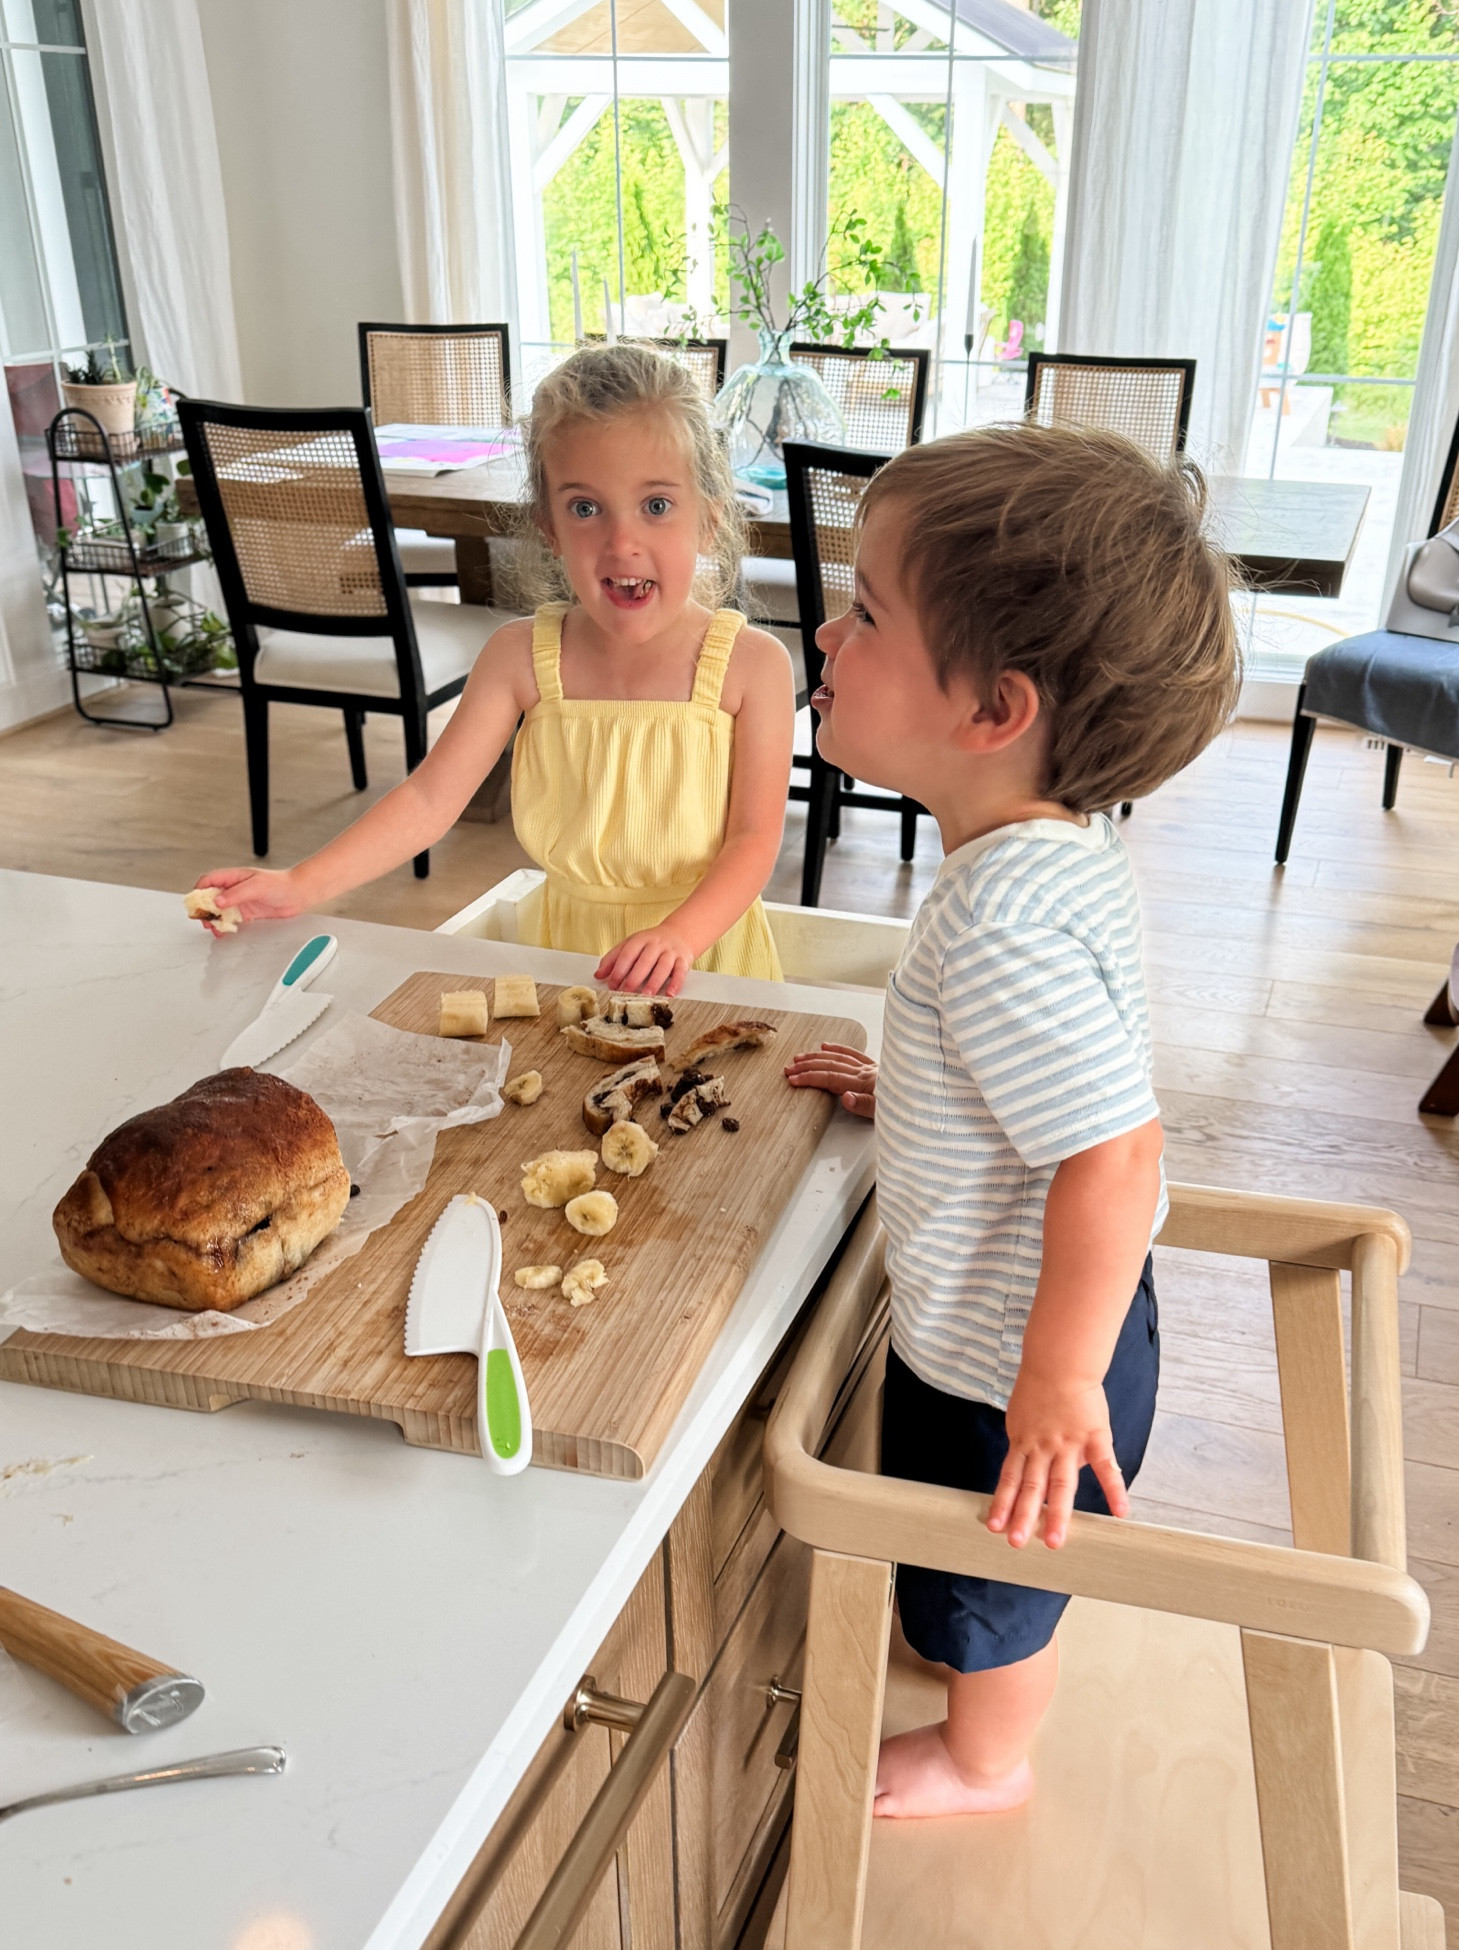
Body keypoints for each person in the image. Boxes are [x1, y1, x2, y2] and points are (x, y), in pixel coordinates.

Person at [785, 424, 1238, 1819]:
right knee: (965, 1554)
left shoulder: (995, 923)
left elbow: (1113, 1147)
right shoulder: (1064, 833)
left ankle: (990, 1759)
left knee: (1000, 1574)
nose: (824, 632)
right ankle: (972, 1667)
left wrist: (1055, 1384)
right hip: (1038, 1318)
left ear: (993, 712)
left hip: (1017, 1358)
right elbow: (1058, 1078)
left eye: (867, 614)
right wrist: (923, 1089)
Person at [190, 344, 793, 994]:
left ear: (709, 516)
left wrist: (681, 936)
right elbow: (428, 799)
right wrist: (299, 884)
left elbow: (754, 840)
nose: (623, 542)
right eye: (585, 508)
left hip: (706, 960)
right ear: (549, 528)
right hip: (565, 957)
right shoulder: (519, 658)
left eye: (656, 505)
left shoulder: (752, 667)